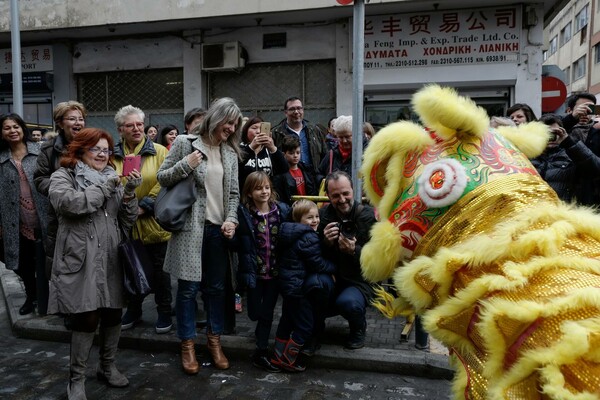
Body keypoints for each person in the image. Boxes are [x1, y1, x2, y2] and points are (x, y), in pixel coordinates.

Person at [47, 128, 141, 400]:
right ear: (80, 150)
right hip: (80, 254)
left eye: (107, 150)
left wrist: (129, 195)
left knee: (113, 313)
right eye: (96, 149)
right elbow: (70, 205)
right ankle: (76, 379)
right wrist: (107, 187)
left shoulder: (113, 178)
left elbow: (126, 222)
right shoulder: (63, 176)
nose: (102, 154)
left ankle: (107, 367)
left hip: (111, 254)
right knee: (86, 315)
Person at [157, 97, 241, 374]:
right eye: (228, 122)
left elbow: (233, 194)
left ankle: (214, 342)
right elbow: (162, 177)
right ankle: (188, 345)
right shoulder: (185, 143)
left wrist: (231, 219)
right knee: (188, 291)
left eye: (235, 124)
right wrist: (187, 164)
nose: (231, 128)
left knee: (216, 290)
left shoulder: (230, 153)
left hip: (218, 231)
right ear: (216, 118)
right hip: (190, 230)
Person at [113, 105, 173, 335]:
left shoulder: (159, 151)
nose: (136, 129)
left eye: (139, 124)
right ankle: (134, 309)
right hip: (125, 222)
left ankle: (164, 310)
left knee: (160, 271)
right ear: (121, 129)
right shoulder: (112, 154)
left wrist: (145, 205)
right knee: (130, 266)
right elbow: (110, 181)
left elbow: (166, 180)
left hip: (153, 220)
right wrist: (127, 207)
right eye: (130, 125)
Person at [272, 199, 336, 372]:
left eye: (316, 216)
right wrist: (334, 268)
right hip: (298, 288)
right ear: (299, 220)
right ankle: (289, 359)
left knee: (286, 320)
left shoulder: (289, 233)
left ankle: (277, 356)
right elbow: (318, 264)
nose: (315, 221)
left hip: (287, 286)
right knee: (305, 325)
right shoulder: (308, 237)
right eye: (309, 218)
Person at [235, 171, 290, 372]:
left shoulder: (281, 211)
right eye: (258, 188)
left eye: (266, 187)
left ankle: (261, 350)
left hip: (275, 272)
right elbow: (238, 242)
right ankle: (260, 335)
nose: (264, 191)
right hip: (255, 272)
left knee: (266, 313)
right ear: (249, 193)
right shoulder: (244, 214)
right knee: (255, 313)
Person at [315, 171, 376, 351]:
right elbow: (310, 253)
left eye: (345, 193)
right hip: (332, 277)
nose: (342, 200)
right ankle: (315, 329)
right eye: (335, 196)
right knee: (311, 287)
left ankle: (358, 329)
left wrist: (354, 251)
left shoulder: (368, 217)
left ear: (353, 191)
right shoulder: (322, 217)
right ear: (328, 196)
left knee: (348, 303)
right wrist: (324, 241)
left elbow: (378, 260)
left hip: (359, 281)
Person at [0, 113, 49, 315]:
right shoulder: (1, 158)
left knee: (49, 258)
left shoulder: (41, 150)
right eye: (7, 128)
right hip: (16, 219)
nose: (12, 131)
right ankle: (32, 295)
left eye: (16, 126)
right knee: (21, 261)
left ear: (23, 129)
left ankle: (51, 298)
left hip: (44, 215)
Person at [34, 101, 87, 286]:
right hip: (61, 214)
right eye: (72, 119)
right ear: (60, 123)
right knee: (64, 261)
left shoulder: (93, 144)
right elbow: (40, 178)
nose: (78, 122)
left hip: (90, 210)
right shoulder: (49, 149)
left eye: (81, 118)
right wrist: (61, 191)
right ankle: (67, 306)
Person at [531, 113, 600, 203]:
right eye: (546, 133)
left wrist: (568, 142)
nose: (552, 137)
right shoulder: (529, 156)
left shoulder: (573, 154)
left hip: (565, 212)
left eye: (555, 133)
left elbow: (596, 168)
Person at [271, 97, 326, 176]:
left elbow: (324, 154)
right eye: (292, 109)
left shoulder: (314, 130)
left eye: (299, 108)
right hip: (287, 180)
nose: (296, 112)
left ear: (303, 110)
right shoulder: (276, 133)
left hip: (313, 179)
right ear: (285, 112)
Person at [239, 116, 288, 189]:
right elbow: (237, 167)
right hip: (245, 194)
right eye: (254, 128)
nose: (258, 132)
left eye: (261, 128)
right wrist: (251, 148)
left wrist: (272, 148)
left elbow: (284, 169)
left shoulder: (268, 150)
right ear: (246, 131)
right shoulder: (239, 149)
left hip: (266, 194)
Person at [317, 115, 366, 182]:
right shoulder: (332, 154)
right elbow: (318, 174)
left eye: (347, 136)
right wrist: (327, 182)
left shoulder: (365, 154)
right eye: (340, 137)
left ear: (355, 134)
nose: (344, 140)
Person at [273, 135, 317, 205]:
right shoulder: (281, 174)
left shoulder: (307, 169)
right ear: (284, 154)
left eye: (298, 152)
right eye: (291, 153)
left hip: (307, 206)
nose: (295, 155)